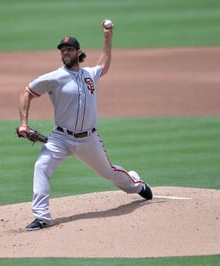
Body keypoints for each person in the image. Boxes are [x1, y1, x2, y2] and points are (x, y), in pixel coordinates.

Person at [18, 20, 153, 231]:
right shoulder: (54, 77)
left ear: (78, 52)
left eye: (69, 49)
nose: (65, 53)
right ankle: (42, 217)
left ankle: (137, 184)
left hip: (89, 139)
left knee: (108, 172)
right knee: (41, 166)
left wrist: (108, 39)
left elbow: (103, 65)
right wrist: (24, 124)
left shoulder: (89, 74)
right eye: (63, 50)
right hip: (61, 138)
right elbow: (27, 92)